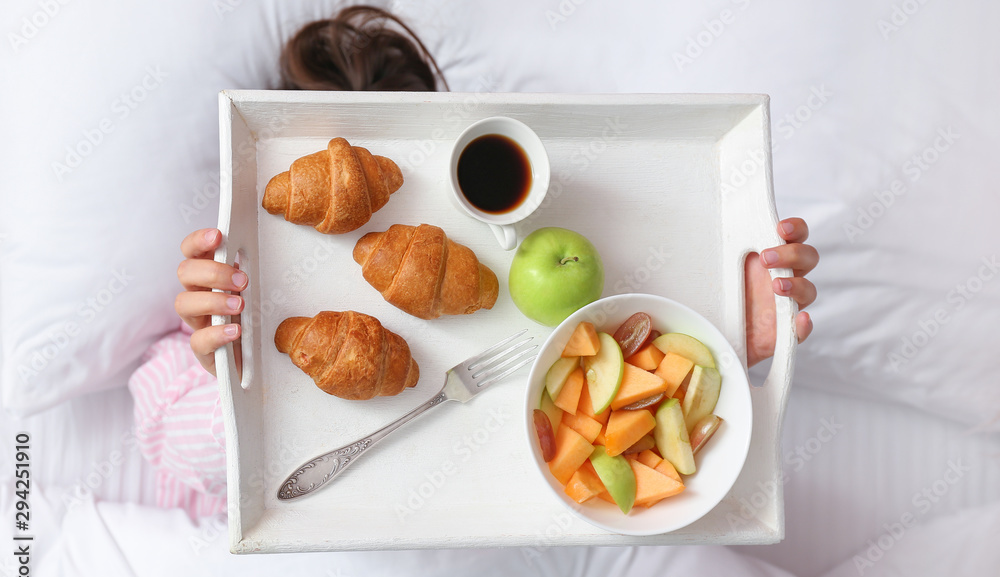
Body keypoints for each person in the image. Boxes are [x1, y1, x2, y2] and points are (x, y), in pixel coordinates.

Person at [131, 5, 818, 517]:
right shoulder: (227, 298)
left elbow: (709, 498)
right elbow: (173, 453)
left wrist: (734, 343)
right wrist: (220, 371)